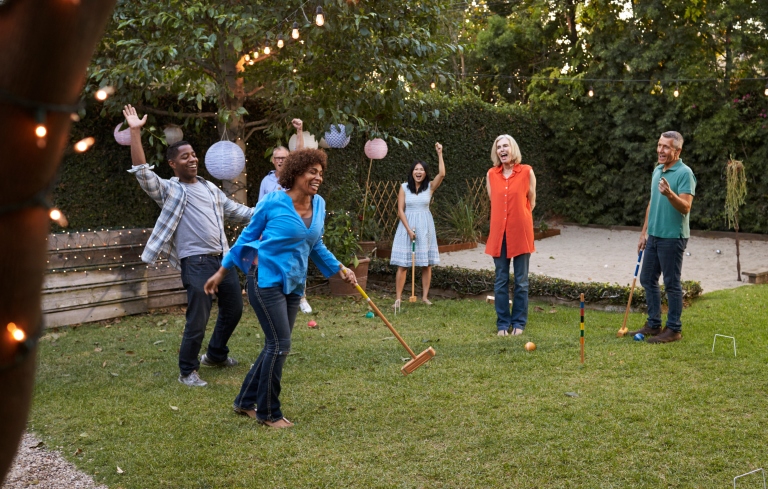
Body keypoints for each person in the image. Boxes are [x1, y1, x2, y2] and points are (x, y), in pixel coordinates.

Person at [204, 148, 356, 428]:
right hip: (265, 279)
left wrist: (341, 268)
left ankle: (244, 402)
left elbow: (315, 244)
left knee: (275, 345)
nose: (318, 177)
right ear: (296, 173)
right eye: (312, 171)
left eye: (320, 173)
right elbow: (245, 239)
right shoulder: (273, 202)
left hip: (295, 283)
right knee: (279, 344)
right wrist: (221, 272)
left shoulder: (319, 204)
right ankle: (269, 413)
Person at [122, 104, 254, 387]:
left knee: (234, 310)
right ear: (173, 164)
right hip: (196, 263)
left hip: (224, 261)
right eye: (185, 157)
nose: (192, 160)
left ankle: (216, 355)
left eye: (193, 155)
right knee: (198, 318)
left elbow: (239, 211)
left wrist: (271, 210)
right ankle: (187, 371)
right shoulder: (171, 189)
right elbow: (143, 173)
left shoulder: (209, 187)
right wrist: (135, 132)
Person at [629, 131, 696, 344]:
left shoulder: (685, 173)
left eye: (666, 147)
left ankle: (674, 329)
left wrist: (670, 194)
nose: (660, 150)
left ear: (677, 151)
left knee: (671, 283)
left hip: (673, 237)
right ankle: (654, 324)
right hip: (654, 235)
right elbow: (652, 203)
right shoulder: (657, 171)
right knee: (647, 278)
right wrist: (643, 232)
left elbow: (685, 207)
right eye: (659, 145)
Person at [485, 134, 536, 336]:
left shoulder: (527, 171)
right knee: (501, 280)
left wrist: (519, 217)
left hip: (521, 231)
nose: (502, 150)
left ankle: (519, 323)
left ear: (512, 148)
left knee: (522, 280)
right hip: (499, 233)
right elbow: (493, 201)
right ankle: (503, 324)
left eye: (505, 146)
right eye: (499, 147)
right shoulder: (491, 174)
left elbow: (531, 200)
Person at [390, 143, 446, 309]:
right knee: (403, 264)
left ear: (426, 173)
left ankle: (425, 297)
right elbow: (400, 210)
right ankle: (398, 298)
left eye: (422, 170)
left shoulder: (429, 188)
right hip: (406, 227)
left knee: (426, 263)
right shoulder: (403, 187)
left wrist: (440, 153)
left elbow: (442, 174)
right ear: (412, 171)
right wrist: (408, 230)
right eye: (416, 169)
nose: (419, 172)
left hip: (425, 227)